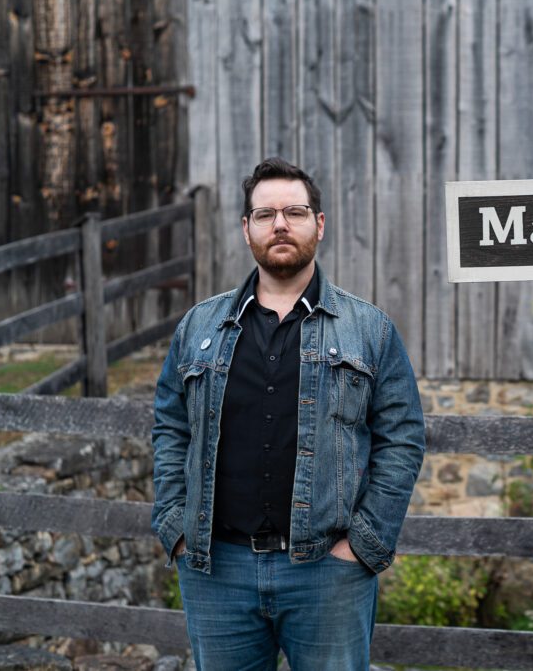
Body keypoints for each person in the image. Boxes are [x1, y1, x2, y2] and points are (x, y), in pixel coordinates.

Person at [150, 157, 425, 670]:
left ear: (318, 225)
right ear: (247, 229)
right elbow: (170, 427)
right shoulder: (198, 327)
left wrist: (362, 545)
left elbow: (402, 438)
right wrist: (175, 526)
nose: (280, 224)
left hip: (327, 571)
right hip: (217, 572)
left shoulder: (370, 330)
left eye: (294, 212)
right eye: (265, 214)